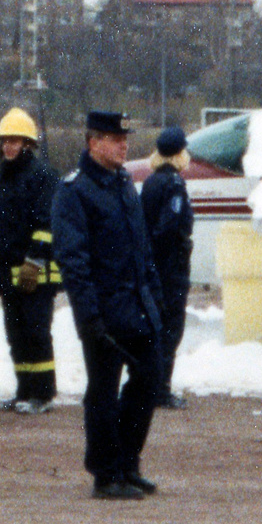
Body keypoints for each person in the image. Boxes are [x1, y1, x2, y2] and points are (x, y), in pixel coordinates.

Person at [52, 110, 164, 500]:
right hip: (103, 311)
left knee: (149, 382)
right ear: (92, 142)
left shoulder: (123, 184)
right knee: (103, 390)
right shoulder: (75, 190)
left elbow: (142, 248)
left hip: (137, 306)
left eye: (124, 138)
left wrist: (155, 296)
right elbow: (73, 261)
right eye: (114, 138)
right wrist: (89, 318)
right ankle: (106, 473)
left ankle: (128, 463)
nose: (123, 145)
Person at [0, 108, 61, 415]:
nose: (9, 146)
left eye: (15, 141)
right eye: (5, 141)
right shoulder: (1, 179)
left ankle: (42, 394)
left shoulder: (43, 176)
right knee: (15, 334)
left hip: (37, 273)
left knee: (36, 332)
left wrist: (35, 261)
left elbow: (48, 223)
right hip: (10, 272)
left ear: (28, 144)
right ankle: (23, 390)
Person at [139, 125, 194, 409]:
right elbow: (169, 226)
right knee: (170, 329)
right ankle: (160, 390)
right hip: (170, 269)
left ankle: (151, 387)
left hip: (153, 267)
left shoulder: (151, 181)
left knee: (155, 328)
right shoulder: (174, 184)